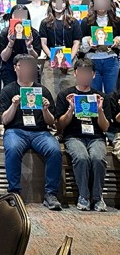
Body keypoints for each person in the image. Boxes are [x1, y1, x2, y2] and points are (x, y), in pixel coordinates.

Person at [0, 54, 62, 210]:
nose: (28, 70)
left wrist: (45, 110)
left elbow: (51, 122)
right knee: (12, 148)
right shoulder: (8, 90)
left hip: (40, 132)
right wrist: (14, 105)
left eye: (31, 67)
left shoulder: (42, 91)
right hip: (15, 131)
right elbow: (4, 120)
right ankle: (14, 192)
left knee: (54, 149)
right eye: (24, 66)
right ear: (16, 68)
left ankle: (51, 194)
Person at [55, 57, 109, 211]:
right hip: (73, 136)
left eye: (88, 72)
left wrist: (100, 110)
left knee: (98, 158)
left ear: (93, 75)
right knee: (81, 157)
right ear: (75, 73)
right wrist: (71, 109)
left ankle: (97, 198)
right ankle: (84, 196)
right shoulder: (65, 95)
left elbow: (105, 127)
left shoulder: (100, 97)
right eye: (81, 72)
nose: (84, 75)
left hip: (96, 137)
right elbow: (60, 125)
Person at [39, 0, 82, 96]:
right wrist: (53, 57)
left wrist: (69, 58)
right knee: (50, 95)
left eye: (61, 2)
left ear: (66, 4)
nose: (58, 4)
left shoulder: (73, 22)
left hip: (70, 62)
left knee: (70, 95)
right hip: (51, 63)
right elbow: (43, 43)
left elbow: (76, 42)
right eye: (55, 1)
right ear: (51, 3)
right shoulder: (45, 23)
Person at [79, 0, 120, 93]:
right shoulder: (86, 21)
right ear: (93, 3)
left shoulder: (116, 21)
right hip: (92, 60)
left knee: (112, 93)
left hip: (111, 60)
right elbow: (80, 46)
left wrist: (118, 40)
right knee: (93, 93)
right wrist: (88, 41)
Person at [0, 5, 40, 86]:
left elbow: (35, 57)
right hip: (9, 70)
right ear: (11, 17)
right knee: (11, 91)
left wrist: (29, 46)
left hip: (29, 69)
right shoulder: (5, 33)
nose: (19, 18)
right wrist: (10, 44)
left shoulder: (33, 33)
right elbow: (4, 58)